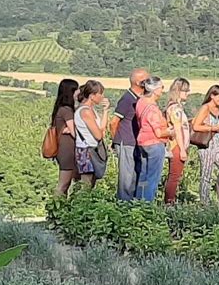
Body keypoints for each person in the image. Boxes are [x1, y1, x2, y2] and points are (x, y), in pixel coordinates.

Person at [110, 68, 150, 201]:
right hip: (126, 142)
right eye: (146, 79)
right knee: (126, 180)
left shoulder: (139, 98)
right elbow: (114, 122)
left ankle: (132, 206)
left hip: (135, 142)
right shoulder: (127, 99)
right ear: (139, 82)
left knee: (134, 177)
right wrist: (116, 141)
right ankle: (123, 207)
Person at [192, 85, 219, 207]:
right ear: (212, 96)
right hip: (207, 146)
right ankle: (204, 203)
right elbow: (196, 126)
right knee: (206, 175)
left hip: (218, 144)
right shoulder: (205, 108)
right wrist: (213, 128)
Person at [135, 77, 173, 202]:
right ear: (155, 89)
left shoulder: (140, 102)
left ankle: (138, 203)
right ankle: (148, 205)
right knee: (152, 178)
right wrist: (171, 131)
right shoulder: (152, 108)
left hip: (142, 141)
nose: (163, 90)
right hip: (154, 144)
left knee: (143, 176)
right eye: (161, 87)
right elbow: (159, 132)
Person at [74, 80, 110, 187]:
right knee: (87, 182)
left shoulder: (91, 109)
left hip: (92, 149)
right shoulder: (85, 111)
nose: (102, 96)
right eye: (100, 94)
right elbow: (98, 135)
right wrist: (101, 132)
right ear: (92, 96)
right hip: (86, 150)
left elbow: (102, 128)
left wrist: (105, 111)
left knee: (92, 182)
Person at [164, 77, 191, 204]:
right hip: (176, 145)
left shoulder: (175, 107)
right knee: (174, 176)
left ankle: (171, 200)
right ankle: (169, 202)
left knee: (175, 175)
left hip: (178, 145)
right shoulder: (175, 109)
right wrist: (182, 149)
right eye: (185, 91)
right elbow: (178, 129)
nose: (188, 93)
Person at [51, 79, 79, 195]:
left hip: (64, 149)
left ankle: (59, 207)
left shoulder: (60, 109)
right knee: (64, 183)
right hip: (67, 150)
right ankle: (57, 207)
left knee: (65, 183)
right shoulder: (67, 110)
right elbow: (74, 132)